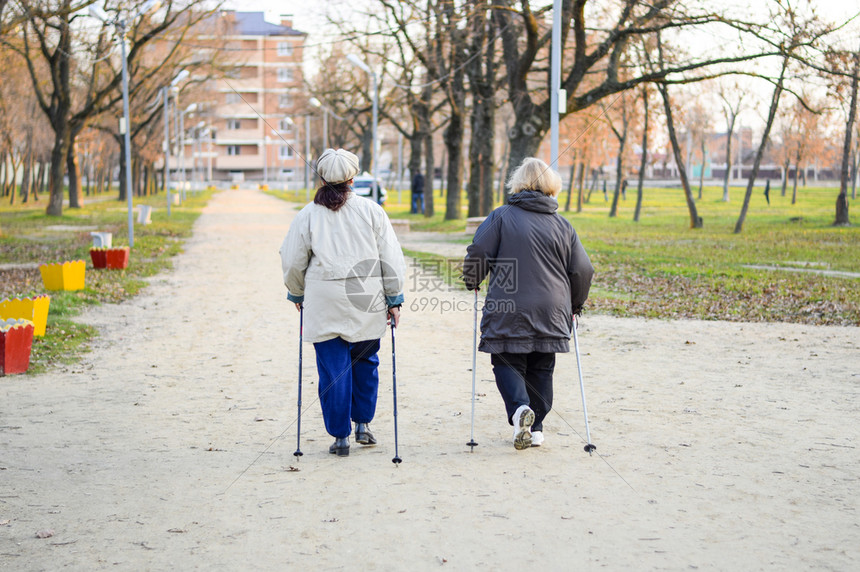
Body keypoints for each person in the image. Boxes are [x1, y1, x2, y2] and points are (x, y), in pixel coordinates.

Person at [280, 148, 406, 457]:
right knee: (366, 363)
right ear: (352, 177)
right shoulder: (372, 210)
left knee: (333, 369)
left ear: (321, 177)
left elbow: (293, 259)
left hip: (324, 300)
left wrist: (296, 292)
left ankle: (340, 437)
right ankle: (362, 424)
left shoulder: (308, 214)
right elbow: (391, 257)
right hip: (366, 298)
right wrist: (394, 298)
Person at [463, 157, 594, 450]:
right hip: (552, 307)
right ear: (552, 186)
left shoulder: (500, 217)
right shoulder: (564, 225)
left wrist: (472, 279)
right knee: (542, 366)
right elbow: (582, 270)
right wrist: (575, 304)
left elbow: (478, 252)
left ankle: (520, 409)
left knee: (507, 359)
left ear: (518, 183)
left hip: (509, 308)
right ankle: (535, 428)